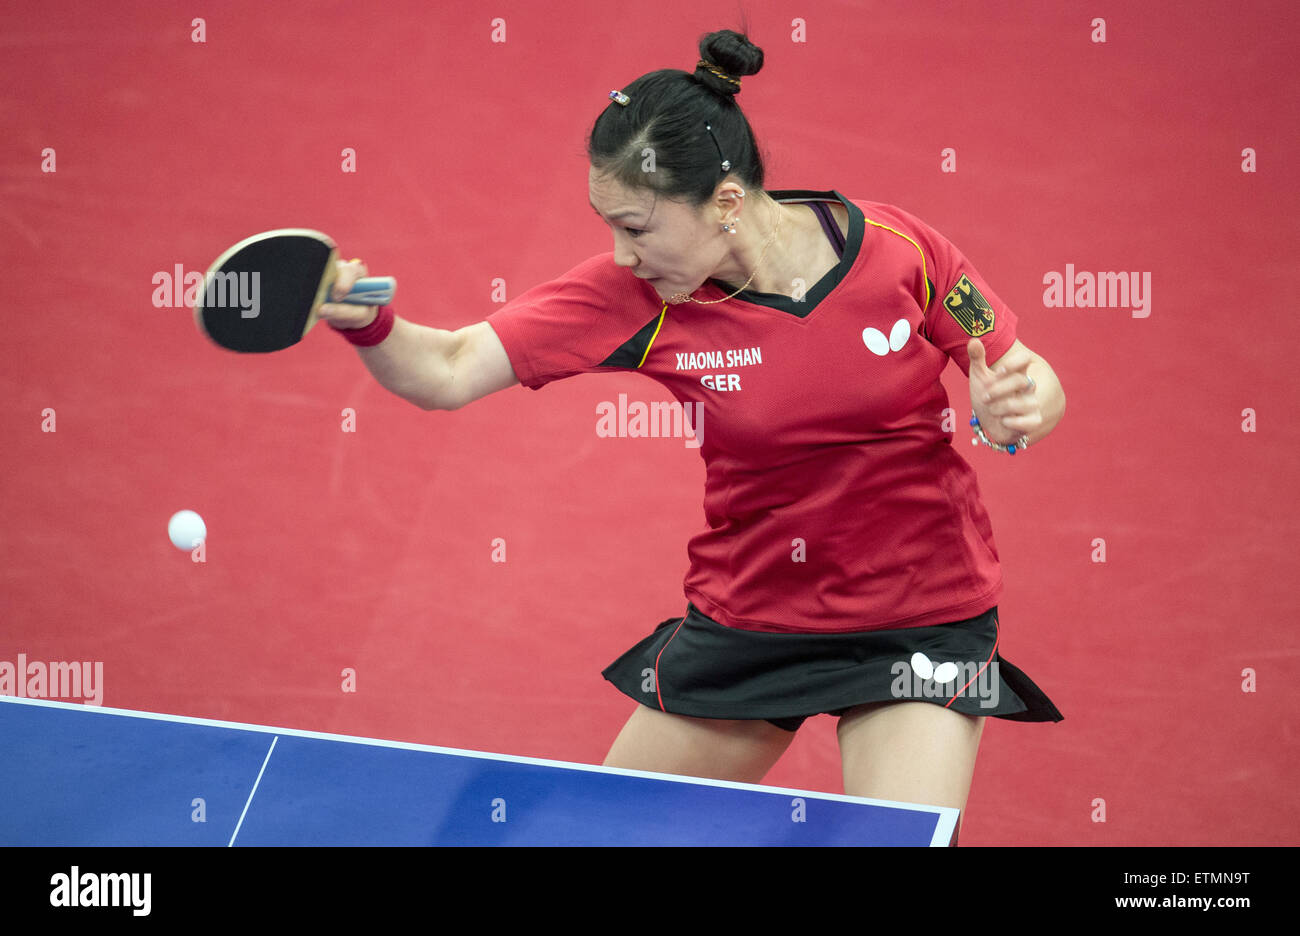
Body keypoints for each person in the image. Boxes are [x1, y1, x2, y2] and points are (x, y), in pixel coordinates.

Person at [317, 28, 1065, 843]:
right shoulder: (638, 298)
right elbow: (450, 369)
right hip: (756, 621)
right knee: (600, 834)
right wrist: (373, 325)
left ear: (728, 202)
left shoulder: (900, 253)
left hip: (922, 616)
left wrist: (1017, 411)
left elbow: (1028, 378)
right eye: (608, 226)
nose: (621, 255)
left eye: (638, 228)